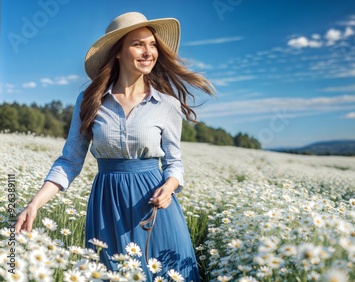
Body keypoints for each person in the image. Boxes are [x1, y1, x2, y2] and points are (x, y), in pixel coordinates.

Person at [15, 11, 214, 281]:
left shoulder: (167, 104)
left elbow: (174, 163)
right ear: (118, 52)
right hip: (107, 207)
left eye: (152, 44)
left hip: (155, 206)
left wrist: (170, 186)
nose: (148, 52)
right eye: (138, 44)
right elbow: (70, 160)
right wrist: (34, 203)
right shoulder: (89, 100)